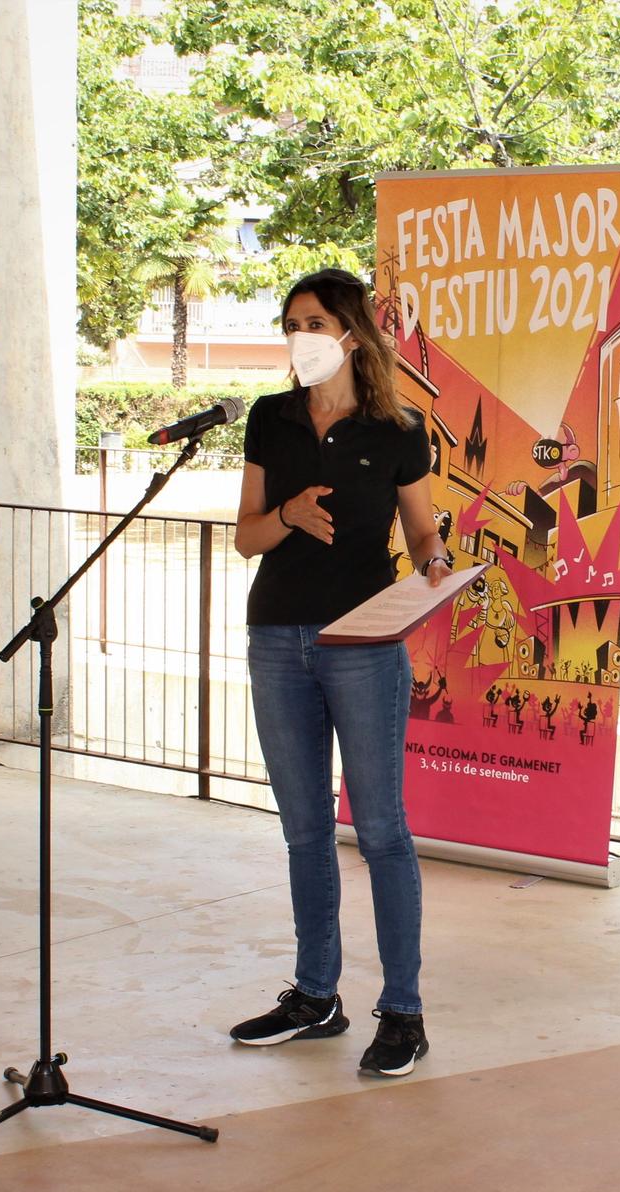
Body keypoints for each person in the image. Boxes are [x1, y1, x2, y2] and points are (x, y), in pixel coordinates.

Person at [228, 268, 452, 1077]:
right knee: (303, 829)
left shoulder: (398, 429)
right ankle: (316, 995)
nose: (299, 337)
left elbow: (421, 531)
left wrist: (436, 561)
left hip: (362, 646)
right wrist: (288, 514)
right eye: (290, 323)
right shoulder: (270, 419)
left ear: (350, 334)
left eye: (313, 322)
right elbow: (247, 537)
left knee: (383, 831)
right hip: (276, 640)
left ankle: (404, 1011)